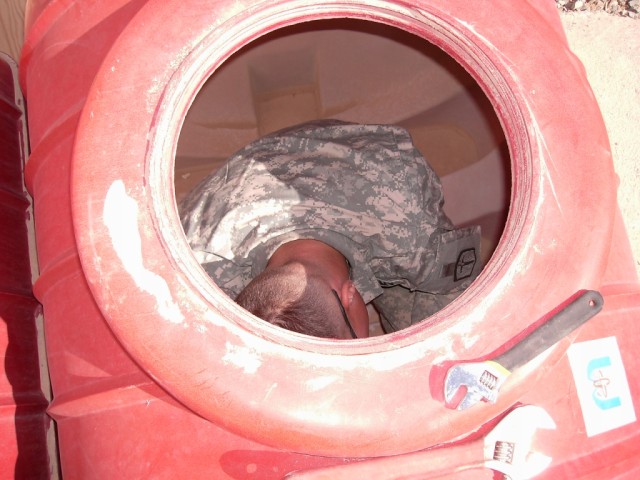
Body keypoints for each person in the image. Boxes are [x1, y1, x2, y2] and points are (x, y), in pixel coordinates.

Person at [179, 120, 481, 339]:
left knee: (439, 327)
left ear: (351, 295)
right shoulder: (203, 269)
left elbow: (455, 288)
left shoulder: (408, 225)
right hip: (240, 184)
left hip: (345, 153)